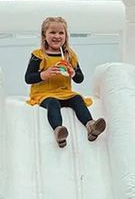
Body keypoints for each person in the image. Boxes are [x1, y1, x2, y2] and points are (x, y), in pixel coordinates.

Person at [25, 16, 106, 148]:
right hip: (44, 93)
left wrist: (73, 73)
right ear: (44, 35)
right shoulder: (38, 55)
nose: (57, 36)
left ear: (66, 36)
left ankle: (91, 125)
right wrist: (44, 74)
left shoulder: (69, 55)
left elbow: (80, 78)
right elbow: (28, 78)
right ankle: (59, 131)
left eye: (61, 33)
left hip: (65, 92)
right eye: (52, 32)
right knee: (53, 103)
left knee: (77, 99)